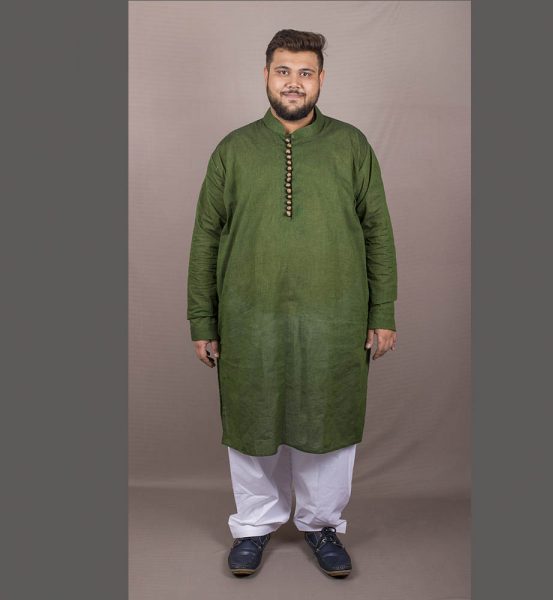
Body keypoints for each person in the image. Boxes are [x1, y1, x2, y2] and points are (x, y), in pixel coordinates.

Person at [187, 29, 397, 578]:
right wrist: (202, 318)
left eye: (305, 73)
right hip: (248, 315)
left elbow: (378, 232)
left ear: (321, 79)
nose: (294, 83)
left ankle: (321, 524)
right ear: (266, 75)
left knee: (327, 419)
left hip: (334, 315)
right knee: (252, 418)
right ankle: (254, 526)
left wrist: (382, 312)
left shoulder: (351, 145)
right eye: (284, 71)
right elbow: (206, 238)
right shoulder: (233, 149)